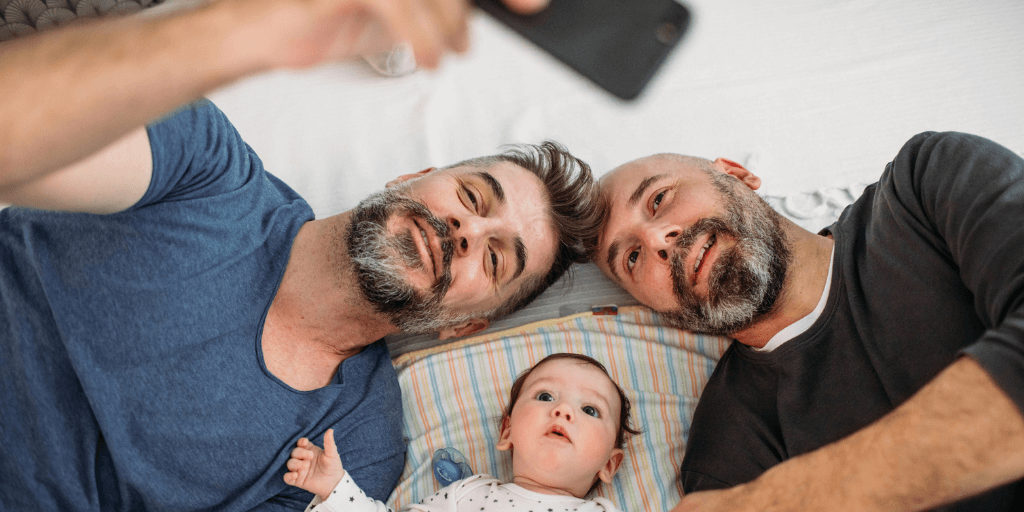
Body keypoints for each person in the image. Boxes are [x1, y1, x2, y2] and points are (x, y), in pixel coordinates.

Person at [0, 1, 596, 511]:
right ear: (412, 176)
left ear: (464, 325)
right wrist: (250, 30)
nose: (466, 230)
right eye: (470, 196)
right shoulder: (207, 169)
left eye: (494, 259)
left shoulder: (354, 452)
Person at [593, 133, 1024, 511]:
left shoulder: (927, 183)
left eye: (659, 199)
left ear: (735, 174)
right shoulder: (727, 457)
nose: (656, 241)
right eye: (631, 258)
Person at [282, 353, 641, 512]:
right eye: (545, 396)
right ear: (507, 431)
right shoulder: (467, 494)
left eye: (590, 410)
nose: (563, 410)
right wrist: (335, 487)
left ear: (609, 465)